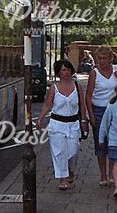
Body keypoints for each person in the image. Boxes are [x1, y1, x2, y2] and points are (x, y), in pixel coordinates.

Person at [36, 60, 88, 191]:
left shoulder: (77, 86)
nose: (66, 72)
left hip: (73, 123)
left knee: (73, 150)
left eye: (68, 69)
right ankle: (62, 178)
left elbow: (82, 105)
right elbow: (48, 104)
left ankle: (70, 169)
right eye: (63, 70)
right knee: (59, 152)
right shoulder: (54, 88)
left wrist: (83, 121)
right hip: (57, 124)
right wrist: (40, 119)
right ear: (59, 72)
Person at [85, 45, 117, 186]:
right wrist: (90, 115)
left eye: (104, 58)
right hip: (98, 109)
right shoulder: (94, 73)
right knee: (101, 144)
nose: (102, 61)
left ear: (110, 59)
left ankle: (111, 174)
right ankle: (103, 175)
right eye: (99, 58)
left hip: (114, 110)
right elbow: (88, 95)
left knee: (113, 143)